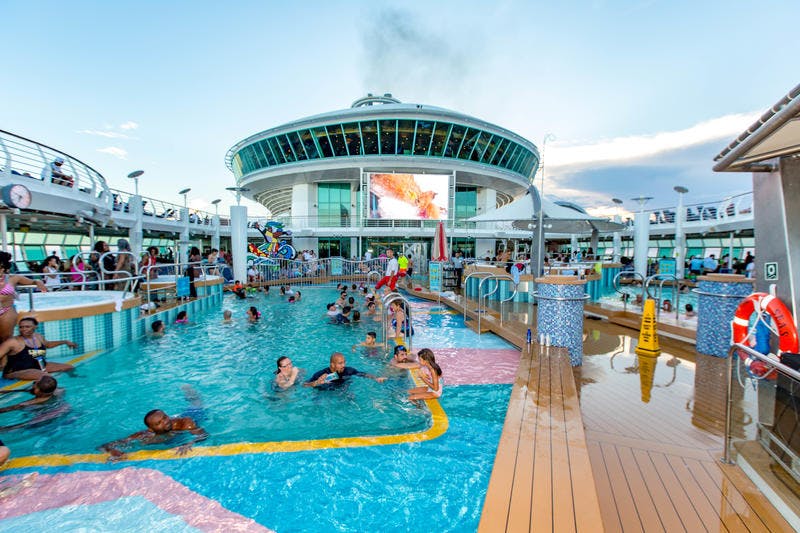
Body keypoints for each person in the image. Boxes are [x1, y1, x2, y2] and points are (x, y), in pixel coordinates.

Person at [100, 407, 207, 459]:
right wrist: (112, 451)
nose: (165, 422)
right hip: (170, 437)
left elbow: (203, 435)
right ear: (151, 429)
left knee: (197, 407)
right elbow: (104, 446)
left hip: (195, 417)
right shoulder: (145, 435)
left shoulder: (185, 423)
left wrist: (190, 442)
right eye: (159, 423)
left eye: (165, 417)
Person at [0, 317, 76, 380]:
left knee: (69, 367)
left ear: (35, 327)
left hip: (39, 366)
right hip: (18, 371)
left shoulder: (38, 336)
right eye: (21, 327)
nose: (23, 329)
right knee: (46, 377)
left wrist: (65, 342)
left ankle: (74, 381)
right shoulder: (13, 342)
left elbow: (48, 344)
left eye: (27, 327)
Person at [0, 252, 47, 342]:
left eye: (1, 267)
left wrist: (38, 281)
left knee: (5, 339)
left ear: (5, 267)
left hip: (6, 311)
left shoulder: (13, 278)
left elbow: (32, 281)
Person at [304, 352, 386, 389]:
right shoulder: (321, 374)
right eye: (340, 363)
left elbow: (362, 374)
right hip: (326, 392)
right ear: (332, 364)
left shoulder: (348, 370)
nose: (343, 365)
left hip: (342, 389)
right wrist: (317, 382)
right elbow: (305, 385)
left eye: (344, 362)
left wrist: (376, 378)